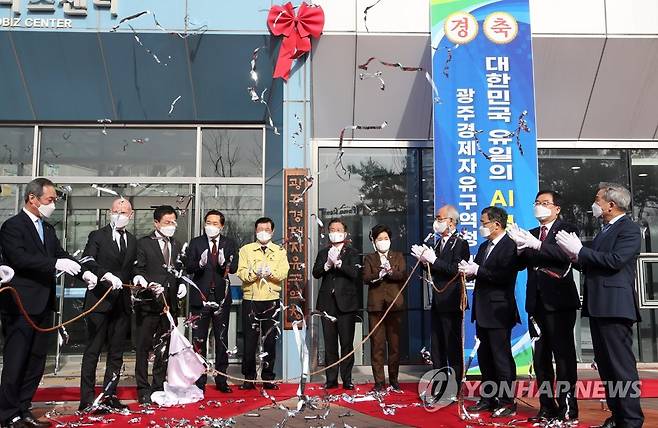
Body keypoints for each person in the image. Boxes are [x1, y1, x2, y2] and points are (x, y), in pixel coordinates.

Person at [0, 177, 97, 428]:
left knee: (36, 361)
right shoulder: (13, 226)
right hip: (20, 305)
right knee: (16, 361)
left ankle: (24, 408)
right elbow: (19, 258)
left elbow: (61, 255)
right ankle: (8, 414)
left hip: (44, 304)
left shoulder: (48, 229)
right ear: (32, 198)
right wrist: (54, 263)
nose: (53, 204)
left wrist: (83, 272)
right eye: (50, 199)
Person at [556, 183, 643, 428]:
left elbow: (615, 261)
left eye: (598, 199)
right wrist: (573, 255)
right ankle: (617, 415)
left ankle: (631, 420)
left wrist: (581, 251)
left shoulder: (628, 229)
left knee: (621, 366)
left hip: (615, 306)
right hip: (599, 306)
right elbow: (591, 263)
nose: (594, 204)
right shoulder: (605, 230)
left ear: (611, 205)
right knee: (606, 366)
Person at [509, 190, 580, 421]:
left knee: (563, 356)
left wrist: (537, 245)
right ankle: (547, 406)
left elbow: (565, 256)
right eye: (537, 202)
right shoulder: (531, 233)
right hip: (536, 303)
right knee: (541, 359)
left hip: (559, 303)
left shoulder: (566, 229)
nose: (539, 206)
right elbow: (520, 265)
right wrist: (519, 248)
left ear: (556, 208)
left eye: (545, 203)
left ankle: (568, 408)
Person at [459, 206, 520, 417]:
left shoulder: (509, 246)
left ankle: (507, 401)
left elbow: (503, 275)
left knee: (501, 357)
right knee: (485, 357)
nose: (481, 227)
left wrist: (478, 270)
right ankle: (488, 398)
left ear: (496, 224)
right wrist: (469, 270)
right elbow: (479, 271)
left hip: (499, 309)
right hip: (482, 309)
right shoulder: (485, 246)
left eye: (483, 223)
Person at [79, 198, 137, 412]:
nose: (119, 215)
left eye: (124, 212)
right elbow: (87, 260)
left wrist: (138, 277)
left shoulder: (133, 240)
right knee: (93, 351)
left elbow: (133, 267)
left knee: (116, 353)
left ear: (131, 215)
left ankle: (109, 394)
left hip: (121, 304)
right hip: (99, 301)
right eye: (116, 211)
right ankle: (86, 399)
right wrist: (105, 275)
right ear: (109, 212)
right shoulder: (97, 236)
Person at [132, 205, 188, 404]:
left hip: (169, 305)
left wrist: (182, 284)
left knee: (164, 347)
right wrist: (142, 280)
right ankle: (142, 388)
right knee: (143, 347)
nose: (171, 225)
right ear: (156, 223)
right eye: (167, 222)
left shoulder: (177, 244)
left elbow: (180, 270)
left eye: (174, 222)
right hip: (148, 304)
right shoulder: (143, 243)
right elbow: (137, 268)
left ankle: (158, 385)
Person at [412, 205, 470, 387]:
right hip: (437, 300)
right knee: (437, 346)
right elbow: (434, 269)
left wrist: (434, 260)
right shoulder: (438, 243)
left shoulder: (460, 243)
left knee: (452, 346)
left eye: (440, 218)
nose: (436, 222)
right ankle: (439, 384)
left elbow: (455, 270)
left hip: (452, 300)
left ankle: (454, 385)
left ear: (451, 221)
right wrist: (424, 262)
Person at [186, 210, 238, 393]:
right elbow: (188, 266)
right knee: (198, 340)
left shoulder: (229, 243)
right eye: (208, 222)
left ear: (221, 226)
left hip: (221, 298)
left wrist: (225, 264)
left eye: (215, 223)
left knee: (221, 339)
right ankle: (199, 380)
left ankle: (221, 379)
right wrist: (199, 264)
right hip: (200, 297)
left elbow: (234, 268)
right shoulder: (196, 242)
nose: (211, 226)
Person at [236, 217, 289, 390]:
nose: (263, 232)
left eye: (267, 229)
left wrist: (270, 273)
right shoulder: (246, 250)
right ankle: (249, 377)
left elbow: (283, 273)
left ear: (272, 232)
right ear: (255, 231)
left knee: (270, 341)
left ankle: (268, 377)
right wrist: (254, 273)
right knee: (250, 341)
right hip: (251, 299)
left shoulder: (279, 251)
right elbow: (241, 272)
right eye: (260, 229)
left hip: (271, 300)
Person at [312, 219, 360, 390]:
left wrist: (339, 264)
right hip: (327, 304)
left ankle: (347, 379)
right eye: (332, 229)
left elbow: (355, 273)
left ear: (345, 233)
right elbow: (316, 272)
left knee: (346, 343)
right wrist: (327, 265)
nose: (335, 232)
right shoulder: (323, 252)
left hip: (346, 304)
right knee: (330, 344)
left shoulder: (352, 252)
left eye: (338, 229)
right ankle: (331, 379)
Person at [363, 224, 407, 392]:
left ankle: (394, 380)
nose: (383, 241)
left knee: (394, 346)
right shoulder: (369, 258)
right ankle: (379, 382)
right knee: (377, 345)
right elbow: (366, 278)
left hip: (394, 306)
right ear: (374, 242)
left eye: (386, 238)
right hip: (376, 307)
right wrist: (378, 275)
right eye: (380, 239)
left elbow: (403, 275)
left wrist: (390, 272)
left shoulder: (398, 256)